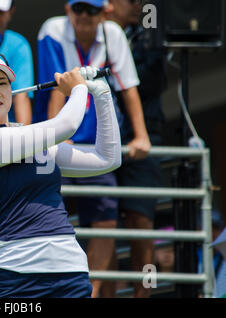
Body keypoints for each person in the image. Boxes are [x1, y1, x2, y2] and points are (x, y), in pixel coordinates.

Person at [0, 51, 122, 298]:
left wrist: (101, 94)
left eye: (2, 83)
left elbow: (107, 159)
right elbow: (65, 126)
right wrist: (78, 89)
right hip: (12, 274)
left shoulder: (31, 140)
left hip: (69, 269)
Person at [34, 0, 150, 297]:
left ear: (105, 12)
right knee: (46, 218)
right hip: (59, 142)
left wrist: (141, 136)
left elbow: (129, 88)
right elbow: (56, 87)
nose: (84, 16)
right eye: (79, 8)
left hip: (95, 145)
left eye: (92, 10)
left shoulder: (114, 34)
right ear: (67, 9)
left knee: (104, 220)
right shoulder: (52, 29)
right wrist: (55, 134)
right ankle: (49, 292)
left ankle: (90, 293)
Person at [107, 0, 167, 298]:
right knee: (102, 226)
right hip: (100, 135)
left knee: (141, 223)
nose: (138, 5)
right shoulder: (95, 33)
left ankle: (144, 296)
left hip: (141, 138)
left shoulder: (148, 34)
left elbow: (154, 82)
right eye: (129, 0)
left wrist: (150, 40)